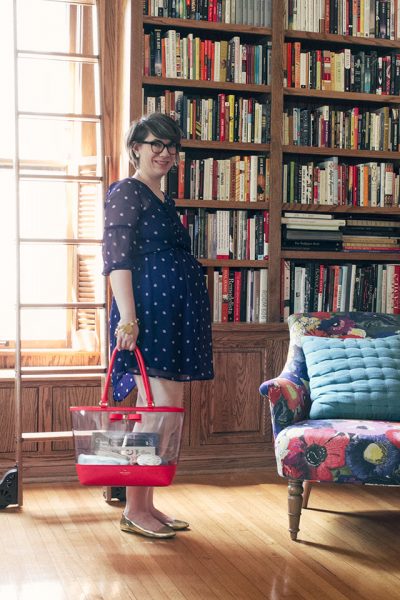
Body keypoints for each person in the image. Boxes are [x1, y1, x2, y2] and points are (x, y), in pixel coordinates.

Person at [102, 113, 214, 539]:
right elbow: (117, 261)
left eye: (171, 147)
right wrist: (128, 318)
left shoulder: (161, 198)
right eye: (155, 144)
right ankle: (134, 509)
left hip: (173, 316)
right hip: (147, 315)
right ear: (136, 148)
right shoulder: (126, 192)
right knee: (155, 414)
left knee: (164, 414)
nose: (165, 153)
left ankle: (146, 502)